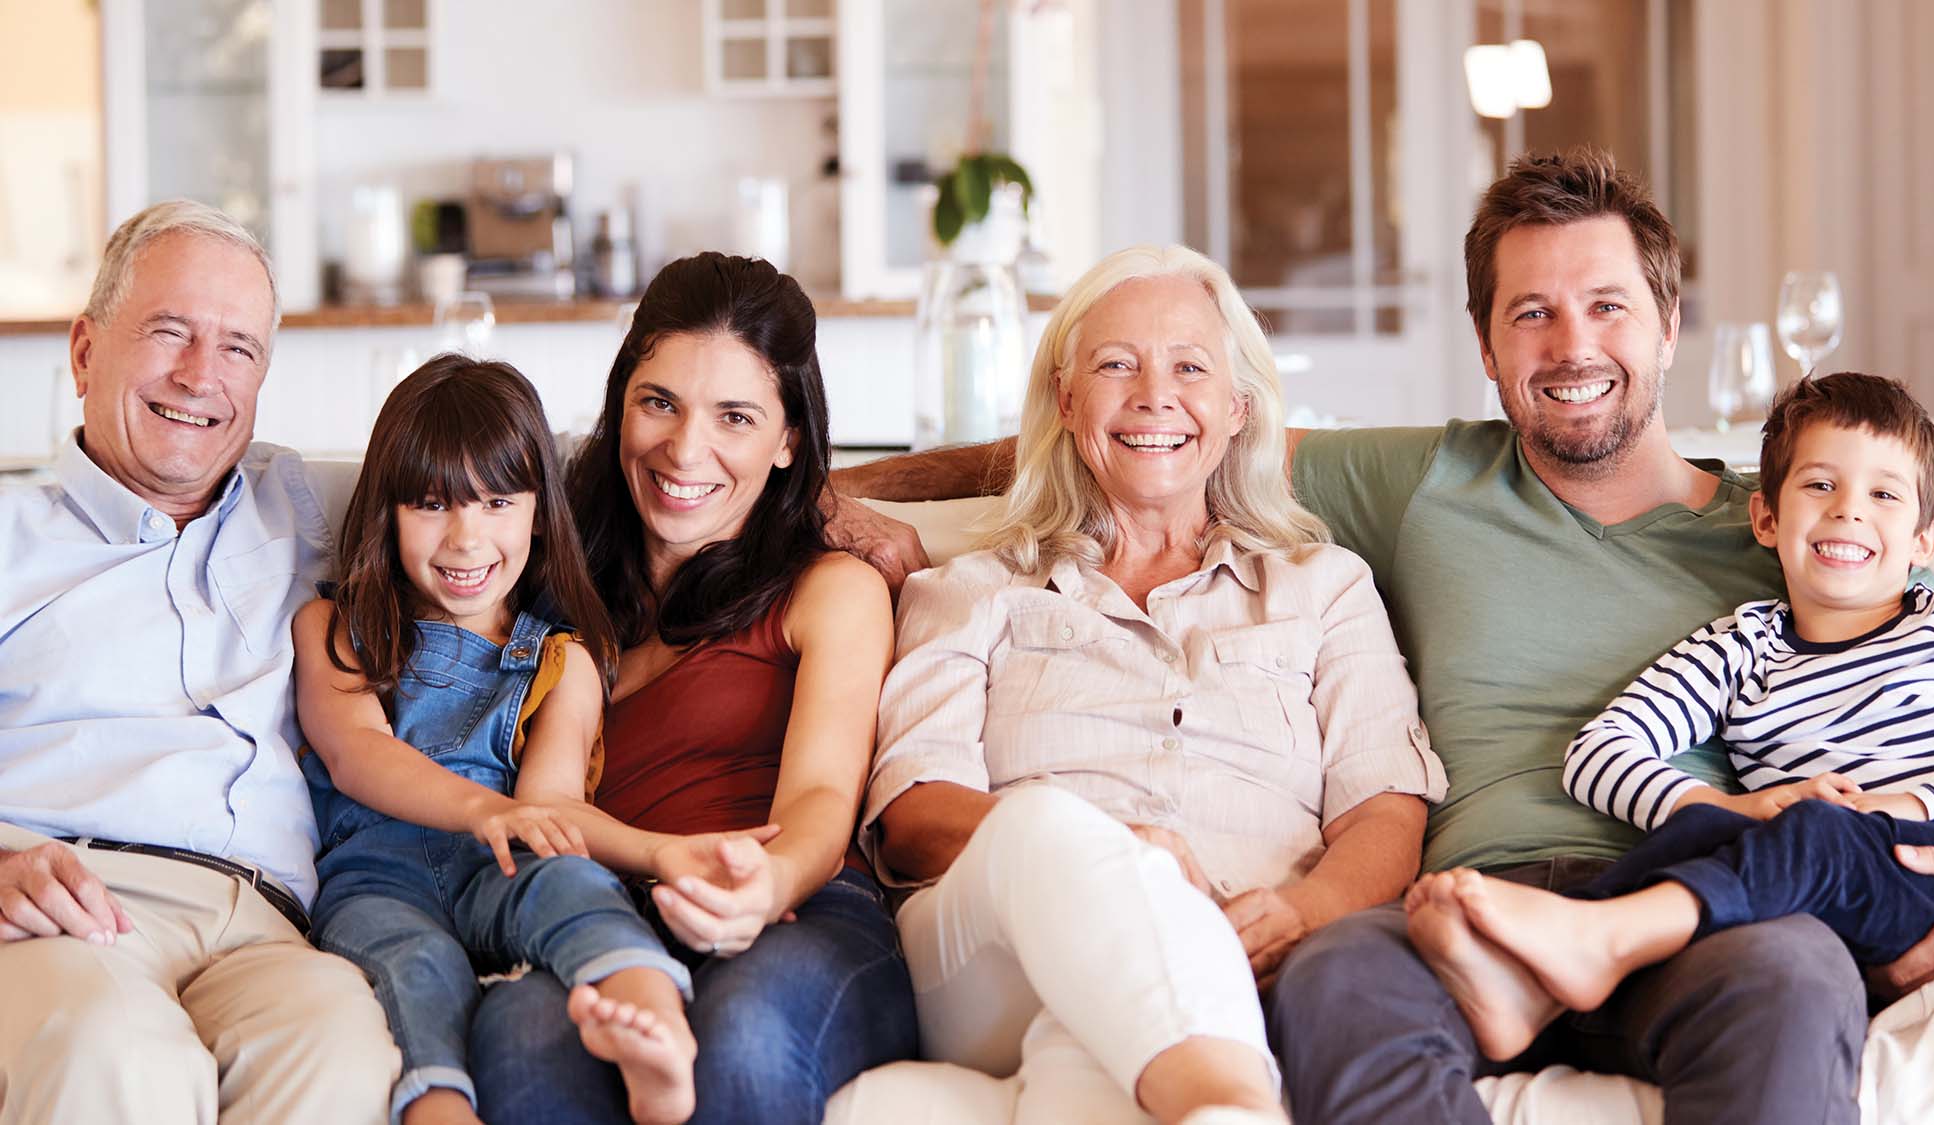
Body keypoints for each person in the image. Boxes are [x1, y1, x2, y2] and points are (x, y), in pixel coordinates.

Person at [823, 149, 1934, 1124]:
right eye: (1528, 312)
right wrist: (848, 506)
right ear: (1484, 346)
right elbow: (1152, 436)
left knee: (1789, 975)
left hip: (1694, 904)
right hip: (1461, 909)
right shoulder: (1423, 479)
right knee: (1337, 978)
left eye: (1605, 306)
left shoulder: (1791, 525)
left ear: (1668, 324)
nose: (1569, 343)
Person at [862, 243, 1447, 1125]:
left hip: (1234, 946)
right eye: (1115, 366)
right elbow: (912, 818)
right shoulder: (972, 590)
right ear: (1066, 400)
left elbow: (1385, 810)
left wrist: (1302, 910)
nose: (1153, 396)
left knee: (1093, 1049)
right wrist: (1109, 849)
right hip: (993, 954)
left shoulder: (1324, 586)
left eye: (1189, 368)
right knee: (1049, 825)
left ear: (1237, 406)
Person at [1406, 372, 1934, 1060]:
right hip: (1797, 895)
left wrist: (1900, 804)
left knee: (1820, 831)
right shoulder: (1742, 644)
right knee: (1703, 827)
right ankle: (1538, 985)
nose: (1848, 511)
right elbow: (1599, 749)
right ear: (1766, 518)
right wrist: (1726, 806)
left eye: (1884, 494)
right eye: (1819, 485)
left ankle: (1597, 943)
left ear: (1926, 539)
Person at [465, 252, 917, 1125]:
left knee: (740, 1036)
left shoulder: (830, 589)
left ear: (790, 440)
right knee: (523, 1035)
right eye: (659, 402)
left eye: (735, 417)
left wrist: (766, 883)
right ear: (621, 402)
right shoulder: (540, 574)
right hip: (600, 917)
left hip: (804, 914)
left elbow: (824, 794)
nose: (684, 449)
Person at [0, 200, 398, 1121]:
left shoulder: (308, 502)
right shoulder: (11, 537)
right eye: (169, 331)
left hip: (265, 931)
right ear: (84, 350)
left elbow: (517, 480)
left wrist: (801, 495)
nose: (199, 375)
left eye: (238, 349)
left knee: (342, 1046)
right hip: (65, 906)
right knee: (115, 1053)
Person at [296, 355, 702, 1125]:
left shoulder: (563, 658)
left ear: (540, 512)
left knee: (575, 885)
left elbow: (550, 804)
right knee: (414, 967)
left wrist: (660, 851)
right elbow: (357, 753)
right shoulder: (335, 630)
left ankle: (657, 1038)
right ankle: (440, 1109)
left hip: (503, 861)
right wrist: (484, 807)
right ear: (385, 511)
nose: (464, 537)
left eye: (495, 502)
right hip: (376, 880)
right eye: (430, 504)